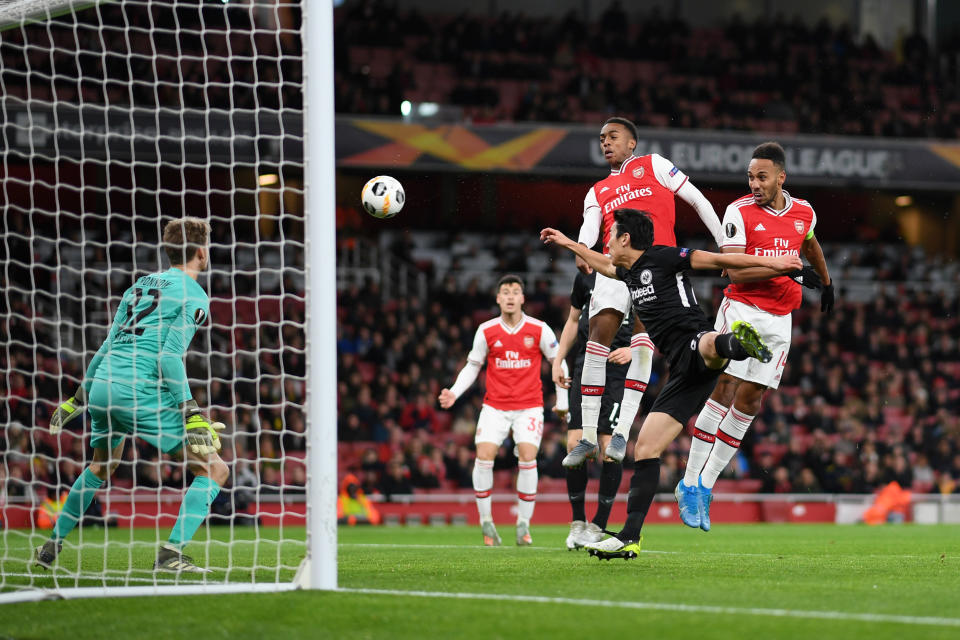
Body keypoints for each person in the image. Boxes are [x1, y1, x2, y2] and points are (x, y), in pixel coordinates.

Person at [541, 208, 801, 559]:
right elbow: (599, 263)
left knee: (707, 343)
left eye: (611, 235)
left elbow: (717, 260)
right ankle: (629, 536)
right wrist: (568, 243)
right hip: (681, 372)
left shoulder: (662, 257)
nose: (607, 242)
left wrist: (778, 265)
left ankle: (737, 344)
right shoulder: (627, 273)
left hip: (695, 341)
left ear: (625, 239)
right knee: (645, 449)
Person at [36, 217, 228, 574]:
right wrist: (192, 412)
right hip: (138, 389)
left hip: (104, 386)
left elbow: (108, 344)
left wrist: (77, 400)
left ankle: (53, 542)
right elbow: (169, 356)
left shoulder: (138, 285)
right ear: (202, 252)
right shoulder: (194, 294)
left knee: (101, 466)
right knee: (215, 468)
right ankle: (171, 552)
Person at [678, 142, 835, 532]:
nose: (754, 184)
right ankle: (689, 481)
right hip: (743, 309)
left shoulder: (804, 212)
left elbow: (810, 243)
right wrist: (789, 271)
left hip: (780, 319)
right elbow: (734, 272)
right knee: (726, 386)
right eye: (750, 177)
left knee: (751, 399)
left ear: (781, 177)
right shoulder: (738, 212)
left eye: (761, 177)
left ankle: (707, 485)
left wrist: (828, 282)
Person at [566, 116, 722, 467]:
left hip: (657, 266)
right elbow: (590, 225)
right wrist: (581, 248)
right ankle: (589, 437)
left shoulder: (655, 165)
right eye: (602, 138)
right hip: (614, 263)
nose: (606, 142)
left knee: (642, 344)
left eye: (613, 136)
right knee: (597, 339)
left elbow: (697, 200)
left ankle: (620, 432)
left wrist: (725, 244)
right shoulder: (598, 189)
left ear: (632, 143)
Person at [438, 275, 567, 546]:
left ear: (522, 298)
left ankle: (523, 524)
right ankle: (487, 523)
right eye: (505, 292)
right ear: (498, 298)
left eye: (515, 292)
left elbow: (559, 362)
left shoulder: (539, 329)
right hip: (495, 406)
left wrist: (563, 399)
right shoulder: (486, 330)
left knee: (528, 456)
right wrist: (454, 391)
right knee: (484, 456)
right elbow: (473, 365)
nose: (510, 296)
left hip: (529, 406)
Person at [552, 269, 638, 550]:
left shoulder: (639, 274)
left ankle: (598, 525)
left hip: (617, 369)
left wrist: (634, 350)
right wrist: (558, 360)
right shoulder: (586, 277)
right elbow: (573, 319)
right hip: (585, 366)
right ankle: (578, 523)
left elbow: (653, 321)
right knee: (576, 444)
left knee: (607, 446)